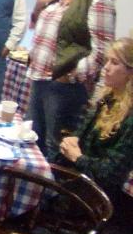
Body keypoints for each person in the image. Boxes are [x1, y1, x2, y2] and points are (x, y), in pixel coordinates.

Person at [26, 0, 115, 157]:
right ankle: (34, 189)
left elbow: (102, 50)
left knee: (54, 145)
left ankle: (53, 190)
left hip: (63, 86)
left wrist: (73, 75)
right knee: (33, 138)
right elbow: (36, 25)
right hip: (40, 77)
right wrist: (41, 4)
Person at [55, 38, 133, 205]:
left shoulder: (130, 117)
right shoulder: (107, 98)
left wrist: (78, 157)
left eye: (114, 63)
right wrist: (73, 139)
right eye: (107, 61)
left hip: (95, 196)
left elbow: (112, 172)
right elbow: (81, 133)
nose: (106, 68)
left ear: (130, 72)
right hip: (79, 178)